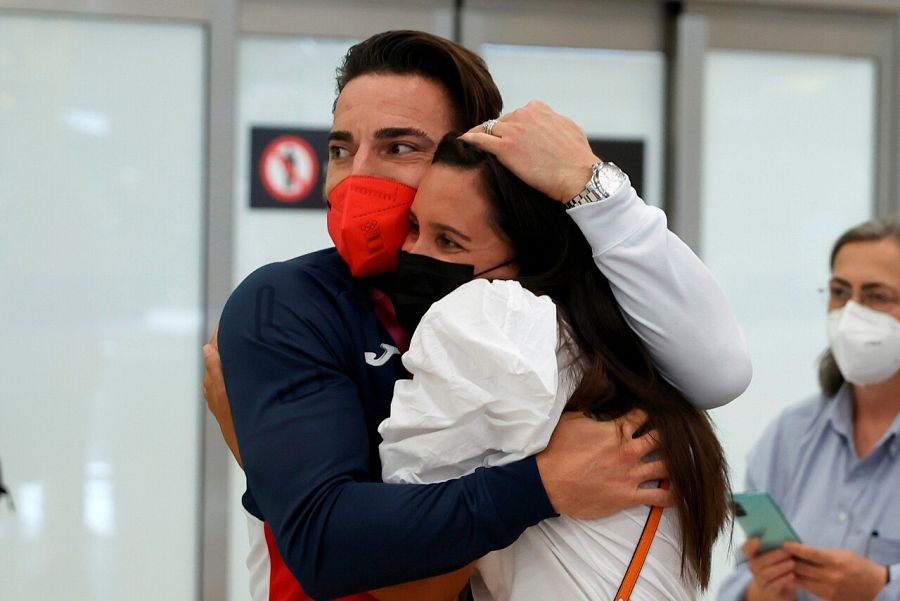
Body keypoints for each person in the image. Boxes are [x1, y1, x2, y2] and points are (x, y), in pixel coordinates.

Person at [205, 30, 751, 599]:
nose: (356, 178)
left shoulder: (517, 302)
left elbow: (719, 370)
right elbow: (330, 542)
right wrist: (543, 484)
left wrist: (592, 184)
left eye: (399, 148)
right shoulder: (291, 302)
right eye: (341, 149)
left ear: (474, 154)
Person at [376, 135, 731, 600]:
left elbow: (405, 577)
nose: (416, 254)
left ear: (528, 257)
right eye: (414, 227)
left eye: (450, 241)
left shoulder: (493, 316)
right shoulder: (624, 347)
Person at [717, 215, 900, 601]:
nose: (851, 314)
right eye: (839, 291)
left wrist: (882, 586)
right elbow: (740, 578)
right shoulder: (790, 434)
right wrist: (760, 591)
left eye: (877, 296)